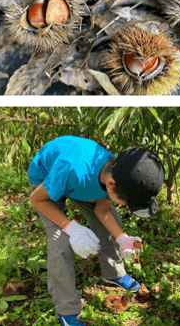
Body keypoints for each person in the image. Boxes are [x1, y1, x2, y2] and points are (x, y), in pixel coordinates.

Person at [27, 136, 164, 326]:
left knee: (113, 218)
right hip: (46, 181)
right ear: (110, 185)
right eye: (126, 202)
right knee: (61, 242)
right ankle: (67, 311)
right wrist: (72, 228)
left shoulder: (118, 173)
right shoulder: (71, 168)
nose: (125, 206)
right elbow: (36, 200)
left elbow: (102, 209)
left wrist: (122, 239)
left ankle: (113, 273)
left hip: (74, 184)